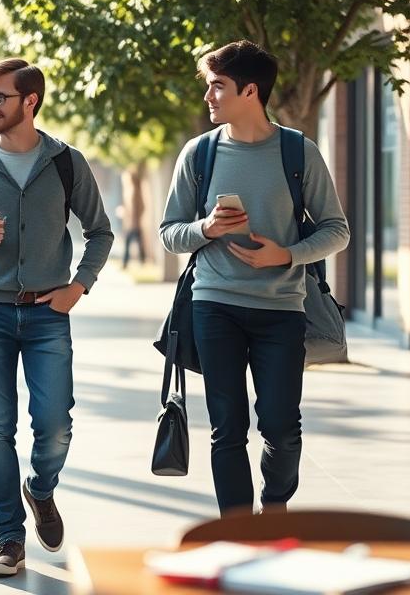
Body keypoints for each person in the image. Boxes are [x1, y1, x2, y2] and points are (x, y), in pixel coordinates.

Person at [0, 58, 113, 577]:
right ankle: (9, 539)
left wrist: (79, 286)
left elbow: (100, 231)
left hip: (47, 311)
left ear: (30, 101)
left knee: (55, 426)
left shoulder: (65, 162)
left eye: (0, 98)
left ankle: (41, 488)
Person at [159, 40, 349, 515]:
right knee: (227, 427)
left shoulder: (297, 152)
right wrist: (205, 228)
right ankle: (239, 530)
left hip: (282, 308)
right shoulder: (198, 153)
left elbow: (336, 229)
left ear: (249, 91)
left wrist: (286, 255)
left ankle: (275, 505)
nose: (208, 97)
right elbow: (169, 233)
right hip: (214, 305)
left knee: (282, 427)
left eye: (217, 86)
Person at [121, 168, 148, 268]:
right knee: (137, 242)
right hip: (132, 222)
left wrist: (135, 221)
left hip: (134, 223)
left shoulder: (134, 191)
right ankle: (142, 260)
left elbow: (138, 208)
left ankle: (126, 263)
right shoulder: (131, 190)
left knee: (129, 242)